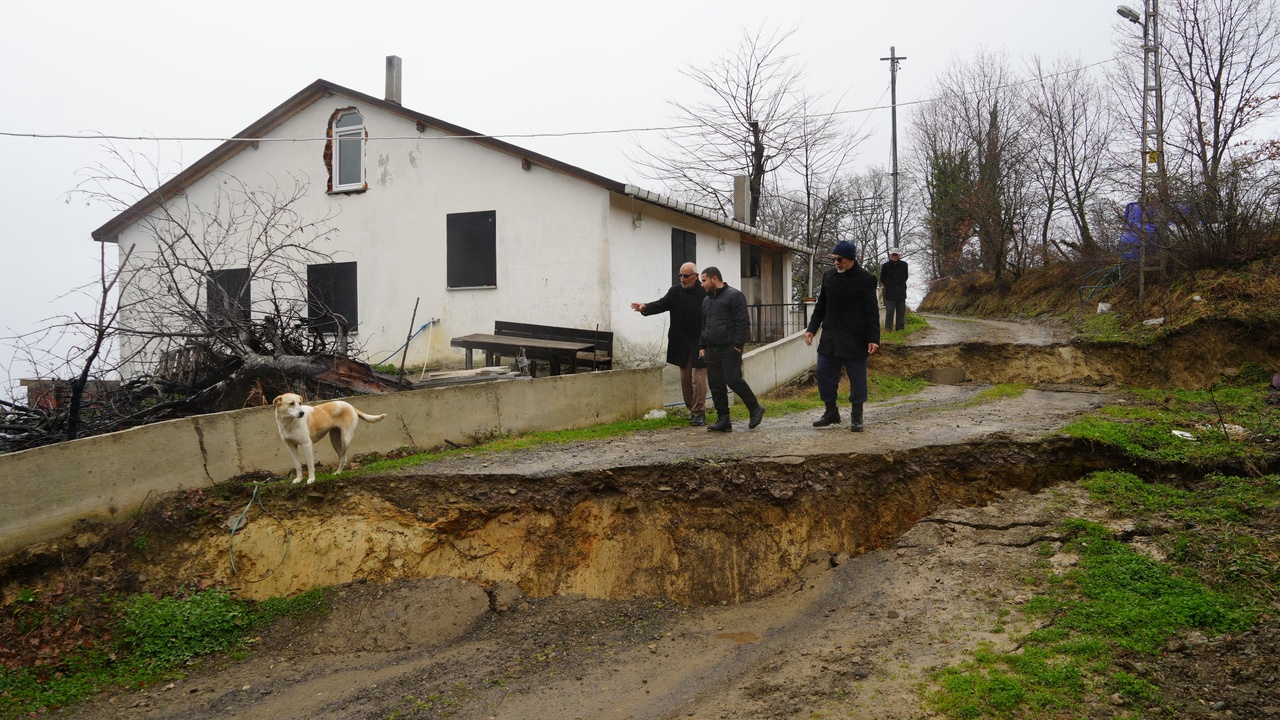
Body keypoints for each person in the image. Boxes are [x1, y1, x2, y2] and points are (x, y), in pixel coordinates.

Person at [805, 241, 881, 432]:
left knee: (857, 380)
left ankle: (857, 417)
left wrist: (874, 338)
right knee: (823, 376)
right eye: (834, 259)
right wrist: (811, 329)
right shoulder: (829, 276)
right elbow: (821, 304)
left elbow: (872, 312)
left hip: (855, 339)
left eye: (840, 259)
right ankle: (831, 412)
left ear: (851, 259)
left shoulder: (865, 279)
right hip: (830, 338)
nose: (836, 263)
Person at [631, 262, 709, 425]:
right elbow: (661, 304)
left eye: (686, 276)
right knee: (686, 379)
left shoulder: (704, 292)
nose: (682, 279)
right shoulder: (675, 291)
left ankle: (699, 412)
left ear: (695, 276)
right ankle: (692, 410)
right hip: (680, 342)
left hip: (700, 342)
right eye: (680, 275)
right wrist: (645, 307)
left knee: (698, 378)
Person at [697, 266, 765, 433]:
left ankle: (755, 408)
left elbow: (743, 322)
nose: (702, 285)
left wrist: (737, 346)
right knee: (716, 384)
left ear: (714, 279)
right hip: (712, 349)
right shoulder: (707, 301)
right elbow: (705, 325)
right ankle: (723, 419)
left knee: (733, 379)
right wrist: (702, 346)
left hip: (729, 348)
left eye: (704, 281)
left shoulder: (734, 296)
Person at [880, 247, 909, 332]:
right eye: (893, 254)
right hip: (890, 294)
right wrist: (889, 285)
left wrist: (900, 285)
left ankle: (900, 329)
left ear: (899, 255)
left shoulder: (904, 265)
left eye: (896, 255)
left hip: (901, 292)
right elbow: (882, 278)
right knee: (889, 312)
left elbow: (905, 277)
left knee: (901, 312)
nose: (894, 256)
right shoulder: (885, 266)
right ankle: (888, 329)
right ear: (890, 255)